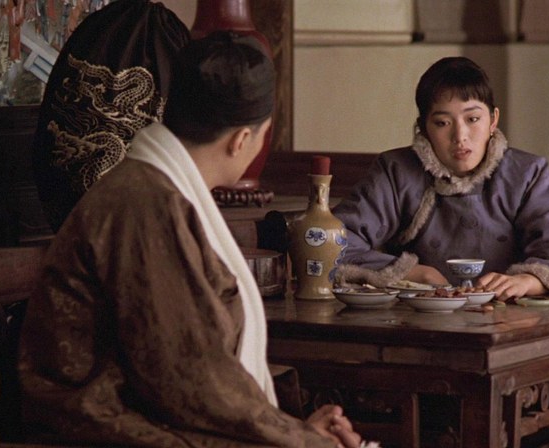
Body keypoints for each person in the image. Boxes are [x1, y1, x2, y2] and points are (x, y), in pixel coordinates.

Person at [18, 32, 362, 448]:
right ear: (242, 140)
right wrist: (303, 440)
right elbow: (191, 377)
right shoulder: (146, 206)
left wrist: (294, 430)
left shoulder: (155, 190)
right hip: (100, 429)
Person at [333, 57, 549, 300]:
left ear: (493, 120)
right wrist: (409, 272)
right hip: (417, 315)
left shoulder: (526, 174)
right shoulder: (396, 171)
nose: (460, 136)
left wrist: (527, 281)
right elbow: (333, 241)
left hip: (508, 315)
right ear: (423, 128)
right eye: (442, 123)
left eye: (473, 119)